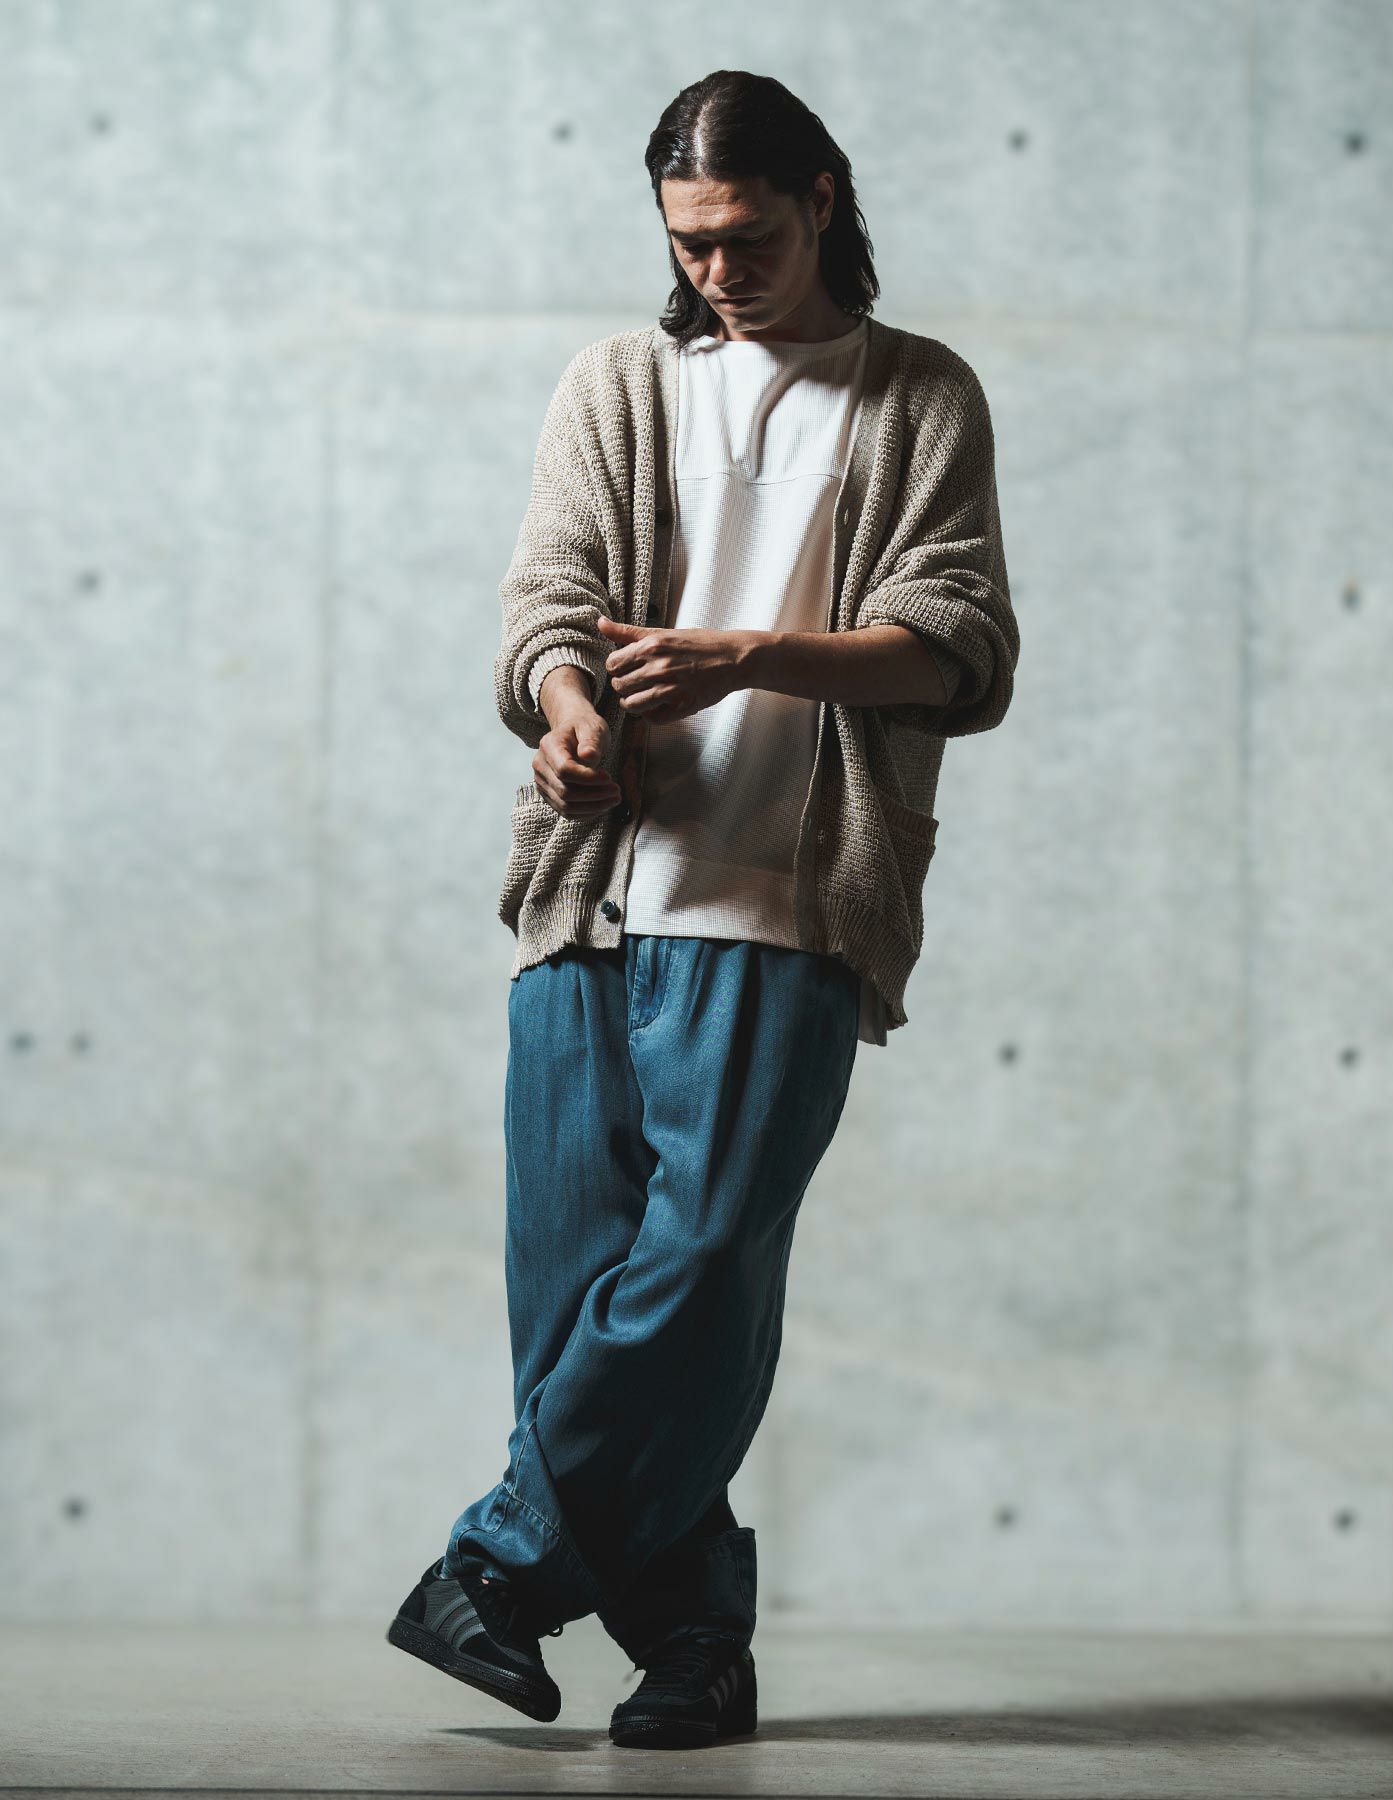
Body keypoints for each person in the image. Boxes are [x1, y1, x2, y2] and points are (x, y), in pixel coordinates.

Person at [387, 68, 1019, 1751]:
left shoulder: (916, 395)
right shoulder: (618, 384)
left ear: (821, 199)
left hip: (786, 902)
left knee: (705, 1269)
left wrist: (752, 654)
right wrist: (566, 710)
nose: (718, 271)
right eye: (689, 243)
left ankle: (495, 1566)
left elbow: (959, 646)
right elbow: (547, 606)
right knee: (576, 1305)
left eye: (746, 237)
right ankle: (695, 1650)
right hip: (591, 898)